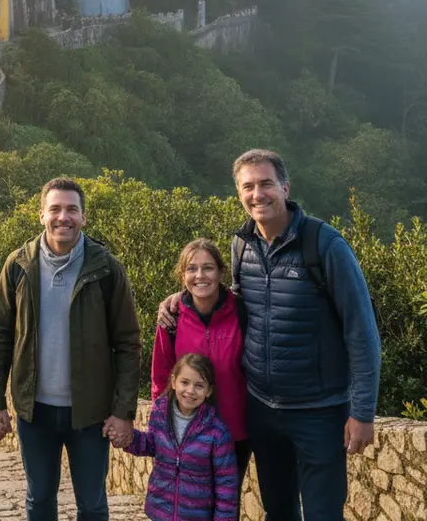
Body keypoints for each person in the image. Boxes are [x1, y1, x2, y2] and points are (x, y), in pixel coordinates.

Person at [158, 149, 381, 520]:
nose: (257, 194)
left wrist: (362, 412)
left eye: (266, 184)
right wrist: (182, 298)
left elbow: (362, 331)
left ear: (285, 187)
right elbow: (234, 304)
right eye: (248, 186)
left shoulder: (324, 245)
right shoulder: (242, 244)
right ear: (239, 193)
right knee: (278, 510)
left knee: (324, 512)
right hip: (261, 408)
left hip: (319, 410)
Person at [0, 176, 142, 521]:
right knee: (39, 499)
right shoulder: (18, 266)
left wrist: (123, 410)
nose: (63, 217)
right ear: (41, 214)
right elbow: (0, 337)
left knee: (92, 503)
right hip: (34, 411)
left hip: (90, 413)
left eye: (72, 209)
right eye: (55, 209)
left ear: (84, 217)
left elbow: (128, 344)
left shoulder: (106, 269)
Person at [151, 239, 249, 489]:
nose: (200, 275)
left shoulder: (241, 311)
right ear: (182, 275)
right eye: (191, 269)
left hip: (235, 431)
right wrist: (162, 426)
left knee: (226, 505)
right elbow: (161, 377)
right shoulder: (171, 318)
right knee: (190, 504)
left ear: (220, 272)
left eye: (208, 268)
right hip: (186, 433)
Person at [126, 352, 238, 520]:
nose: (190, 391)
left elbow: (226, 484)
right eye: (185, 382)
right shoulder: (160, 413)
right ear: (173, 381)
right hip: (160, 511)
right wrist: (128, 438)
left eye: (199, 385)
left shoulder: (217, 431)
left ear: (209, 390)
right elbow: (151, 445)